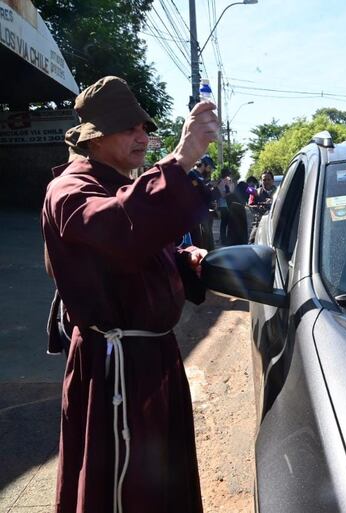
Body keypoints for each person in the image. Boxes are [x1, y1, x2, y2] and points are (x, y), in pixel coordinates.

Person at [41, 76, 219, 513]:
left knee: (160, 483)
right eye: (128, 128)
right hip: (114, 368)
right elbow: (119, 229)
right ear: (95, 138)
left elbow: (137, 252)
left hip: (151, 359)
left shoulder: (116, 182)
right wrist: (181, 159)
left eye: (143, 127)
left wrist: (181, 259)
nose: (141, 136)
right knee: (124, 488)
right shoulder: (69, 189)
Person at [248, 171, 277, 243]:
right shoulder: (255, 192)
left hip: (276, 223)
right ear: (261, 181)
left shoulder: (280, 192)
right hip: (260, 223)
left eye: (268, 179)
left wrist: (273, 201)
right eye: (264, 180)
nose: (266, 182)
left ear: (273, 180)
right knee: (251, 242)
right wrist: (259, 207)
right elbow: (250, 206)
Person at [215, 167, 233, 243]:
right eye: (229, 173)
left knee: (226, 222)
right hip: (224, 205)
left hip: (226, 205)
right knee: (224, 223)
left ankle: (225, 238)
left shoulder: (225, 181)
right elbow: (223, 194)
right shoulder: (222, 182)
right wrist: (230, 193)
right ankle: (223, 239)